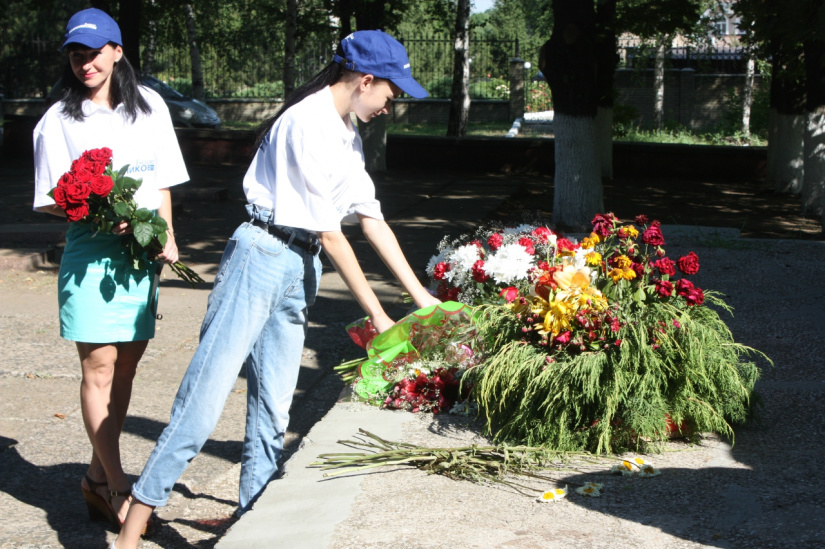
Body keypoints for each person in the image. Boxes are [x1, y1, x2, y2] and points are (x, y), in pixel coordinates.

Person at [111, 30, 439, 548]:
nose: (390, 105)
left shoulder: (346, 130)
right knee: (201, 405)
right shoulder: (305, 123)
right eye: (390, 92)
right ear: (365, 80)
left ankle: (251, 528)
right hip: (260, 256)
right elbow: (333, 234)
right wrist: (378, 315)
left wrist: (422, 297)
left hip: (299, 266)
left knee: (273, 412)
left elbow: (371, 218)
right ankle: (131, 532)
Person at [32, 8, 188, 530]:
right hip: (91, 255)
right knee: (98, 370)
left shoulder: (151, 106)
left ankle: (96, 479)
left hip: (142, 253)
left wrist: (167, 234)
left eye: (95, 53)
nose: (85, 64)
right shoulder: (59, 120)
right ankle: (120, 487)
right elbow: (50, 198)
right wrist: (100, 212)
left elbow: (161, 181)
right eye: (76, 55)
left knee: (126, 367)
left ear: (117, 52)